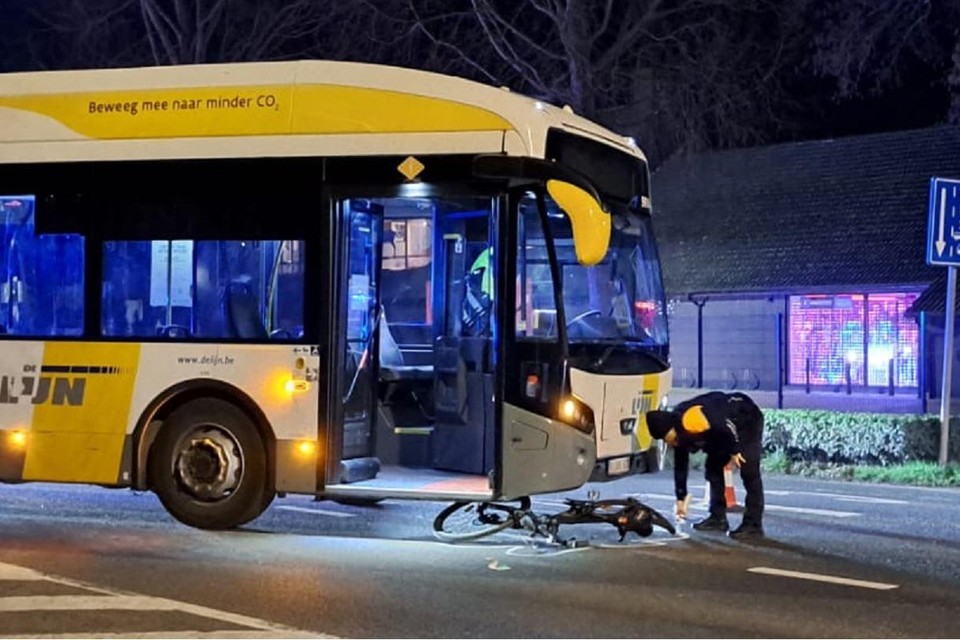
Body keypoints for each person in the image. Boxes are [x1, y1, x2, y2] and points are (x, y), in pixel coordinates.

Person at [646, 391, 765, 540]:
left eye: (665, 438)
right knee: (713, 469)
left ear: (669, 428)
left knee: (749, 471)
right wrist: (681, 497)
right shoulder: (678, 434)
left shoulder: (690, 419)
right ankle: (718, 518)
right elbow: (680, 466)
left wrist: (735, 451)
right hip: (722, 431)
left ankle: (753, 525)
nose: (667, 443)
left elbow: (723, 424)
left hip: (745, 419)